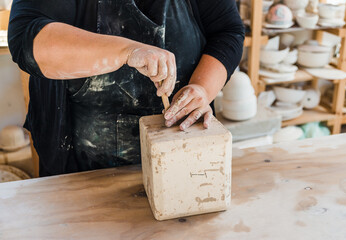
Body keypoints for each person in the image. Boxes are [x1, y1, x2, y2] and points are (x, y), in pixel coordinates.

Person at [8, 0, 244, 177]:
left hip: (182, 162)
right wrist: (127, 51)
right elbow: (27, 40)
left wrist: (202, 88)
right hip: (80, 168)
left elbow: (228, 31)